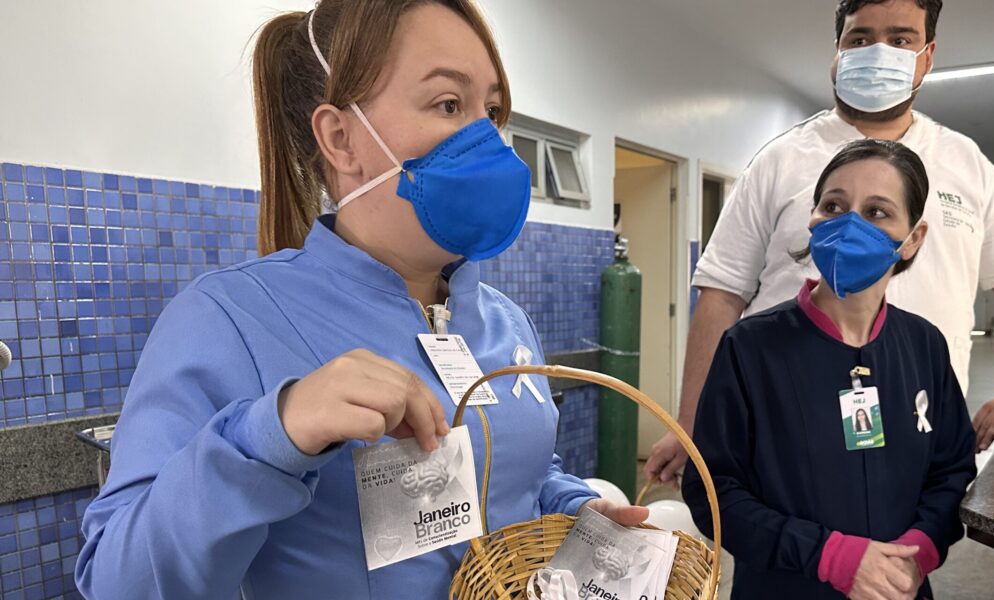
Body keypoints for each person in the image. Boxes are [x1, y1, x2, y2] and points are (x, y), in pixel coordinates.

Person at [74, 2, 645, 598]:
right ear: (341, 139)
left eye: (492, 111)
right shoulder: (226, 320)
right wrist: (275, 432)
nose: (490, 141)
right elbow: (117, 580)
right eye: (450, 104)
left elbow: (512, 473)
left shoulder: (506, 320)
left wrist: (574, 509)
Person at [646, 0, 994, 485]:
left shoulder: (965, 164)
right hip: (785, 424)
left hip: (918, 424)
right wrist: (692, 425)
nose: (879, 52)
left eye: (900, 39)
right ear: (837, 51)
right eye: (860, 39)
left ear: (928, 54)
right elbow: (721, 293)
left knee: (906, 551)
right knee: (781, 546)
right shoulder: (781, 160)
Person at [682, 139, 976, 599]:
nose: (849, 223)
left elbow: (952, 471)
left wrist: (917, 554)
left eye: (877, 212)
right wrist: (829, 556)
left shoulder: (924, 347)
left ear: (912, 239)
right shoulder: (751, 348)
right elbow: (713, 491)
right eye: (834, 205)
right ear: (814, 219)